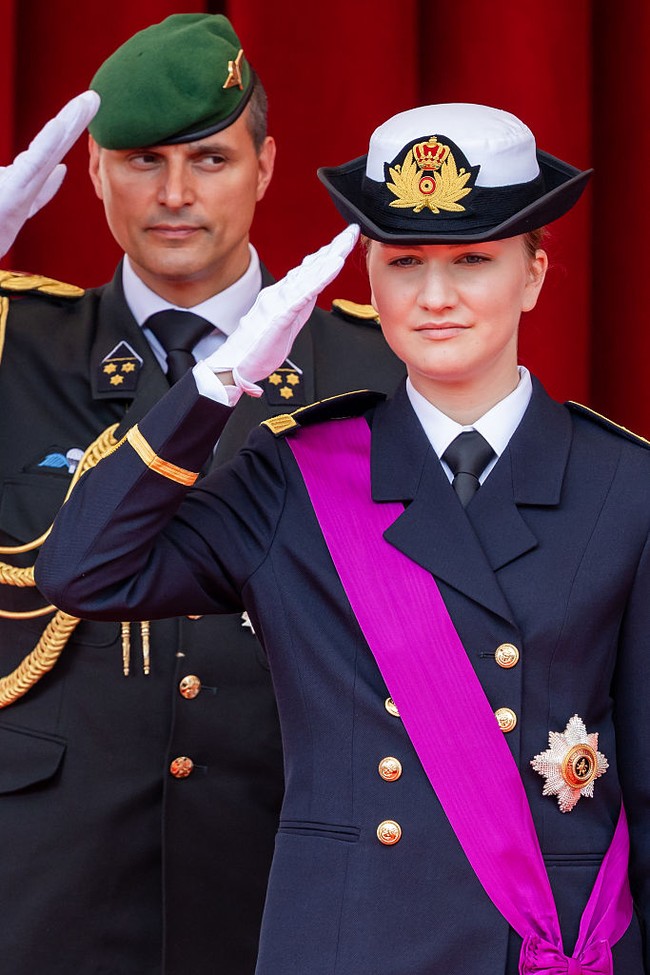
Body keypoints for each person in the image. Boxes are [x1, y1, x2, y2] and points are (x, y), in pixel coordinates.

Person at [36, 101, 649, 974]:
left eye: (473, 260)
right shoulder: (293, 477)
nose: (435, 297)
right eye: (405, 262)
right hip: (352, 940)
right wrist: (216, 383)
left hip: (548, 943)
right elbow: (84, 571)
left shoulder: (625, 486)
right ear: (369, 274)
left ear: (534, 274)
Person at [0, 14, 404, 975]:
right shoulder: (16, 344)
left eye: (211, 159)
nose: (175, 195)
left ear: (266, 167)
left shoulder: (375, 366)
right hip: (46, 889)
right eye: (142, 160)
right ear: (92, 171)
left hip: (289, 876)